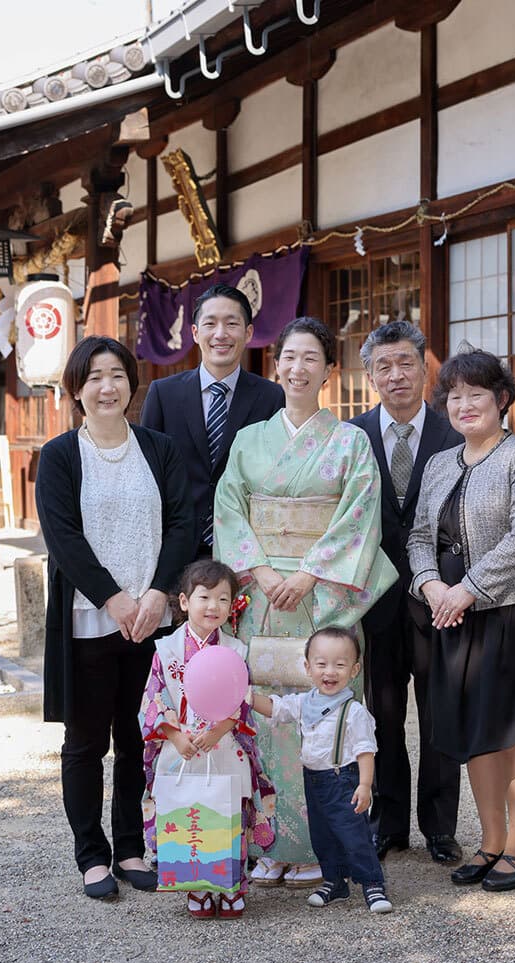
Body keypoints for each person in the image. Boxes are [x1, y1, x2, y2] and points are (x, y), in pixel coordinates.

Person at [214, 316, 397, 888]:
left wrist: (313, 572)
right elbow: (229, 508)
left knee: (329, 725)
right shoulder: (249, 440)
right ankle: (268, 843)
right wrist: (263, 570)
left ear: (329, 371)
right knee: (266, 717)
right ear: (277, 366)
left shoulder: (350, 442)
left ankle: (326, 848)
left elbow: (361, 518)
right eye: (288, 357)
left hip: (324, 604)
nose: (297, 367)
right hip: (263, 594)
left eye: (311, 358)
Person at [35, 336, 195, 900]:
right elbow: (64, 539)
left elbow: (182, 523)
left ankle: (130, 847)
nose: (108, 387)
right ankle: (91, 856)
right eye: (94, 377)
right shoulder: (58, 456)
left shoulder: (158, 448)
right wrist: (114, 599)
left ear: (132, 383)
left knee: (137, 737)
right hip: (89, 620)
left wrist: (156, 595)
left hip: (153, 618)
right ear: (77, 390)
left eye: (118, 375)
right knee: (85, 740)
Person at [407, 348, 515, 892]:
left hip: (510, 610)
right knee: (472, 729)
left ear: (502, 400)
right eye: (453, 395)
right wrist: (431, 585)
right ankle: (491, 842)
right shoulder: (441, 462)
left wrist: (467, 590)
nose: (463, 404)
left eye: (476, 394)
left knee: (509, 730)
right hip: (449, 610)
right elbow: (419, 536)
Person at [351, 320, 464, 866]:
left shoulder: (454, 434)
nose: (396, 375)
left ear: (425, 368)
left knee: (441, 712)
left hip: (438, 599)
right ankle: (388, 823)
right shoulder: (351, 438)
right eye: (383, 366)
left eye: (406, 363)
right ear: (369, 375)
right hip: (374, 600)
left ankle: (440, 827)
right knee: (382, 713)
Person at [139, 559, 275, 919]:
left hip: (225, 743)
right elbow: (153, 700)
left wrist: (219, 729)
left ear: (233, 606)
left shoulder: (236, 650)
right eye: (204, 597)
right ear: (184, 602)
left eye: (223, 599)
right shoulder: (166, 650)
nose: (213, 606)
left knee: (229, 813)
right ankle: (196, 886)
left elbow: (243, 700)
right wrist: (174, 734)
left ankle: (232, 885)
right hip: (179, 746)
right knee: (190, 815)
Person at [250, 626, 392, 913]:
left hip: (344, 779)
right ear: (307, 667)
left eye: (340, 665)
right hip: (314, 779)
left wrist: (365, 786)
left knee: (353, 834)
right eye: (321, 664)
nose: (330, 672)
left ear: (354, 670)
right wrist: (247, 697)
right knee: (322, 834)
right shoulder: (306, 703)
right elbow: (277, 708)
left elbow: (366, 751)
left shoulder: (353, 711)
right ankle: (334, 880)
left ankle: (372, 884)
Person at [141, 283, 285, 556]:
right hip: (175, 548)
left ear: (248, 333)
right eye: (210, 324)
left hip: (247, 548)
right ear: (195, 333)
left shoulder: (271, 397)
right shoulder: (163, 393)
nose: (221, 334)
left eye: (232, 323)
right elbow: (146, 474)